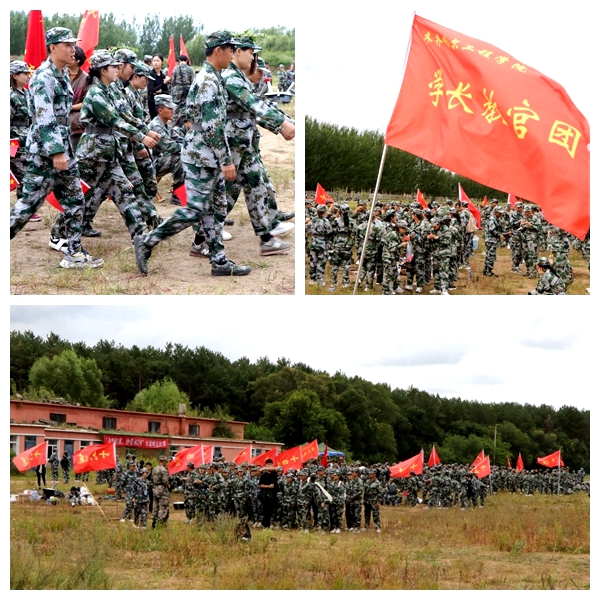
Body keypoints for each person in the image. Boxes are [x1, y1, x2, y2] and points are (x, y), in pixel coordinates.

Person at [134, 31, 252, 277]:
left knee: (217, 207)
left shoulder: (213, 77)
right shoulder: (208, 81)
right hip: (202, 155)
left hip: (207, 153)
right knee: (196, 209)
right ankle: (147, 241)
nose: (233, 54)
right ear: (218, 50)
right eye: (230, 49)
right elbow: (212, 126)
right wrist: (226, 161)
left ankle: (219, 260)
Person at [10, 27, 103, 269]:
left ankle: (74, 253)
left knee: (75, 200)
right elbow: (45, 117)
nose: (73, 49)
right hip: (46, 153)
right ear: (53, 47)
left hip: (63, 150)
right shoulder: (44, 77)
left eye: (73, 44)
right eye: (68, 45)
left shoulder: (61, 75)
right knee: (27, 206)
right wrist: (57, 152)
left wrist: (63, 151)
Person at [76, 50, 155, 247]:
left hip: (110, 153)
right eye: (114, 66)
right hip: (93, 153)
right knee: (78, 196)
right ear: (103, 70)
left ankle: (140, 236)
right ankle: (58, 233)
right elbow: (115, 121)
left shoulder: (110, 90)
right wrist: (142, 137)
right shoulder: (96, 94)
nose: (117, 69)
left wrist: (146, 130)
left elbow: (125, 115)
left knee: (125, 191)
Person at [10, 60, 41, 222]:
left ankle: (24, 209)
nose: (28, 76)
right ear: (15, 76)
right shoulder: (10, 96)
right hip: (15, 143)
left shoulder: (27, 93)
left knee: (27, 175)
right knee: (24, 176)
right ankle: (25, 210)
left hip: (28, 140)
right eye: (24, 73)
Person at [148, 94, 186, 205]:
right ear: (160, 111)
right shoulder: (156, 126)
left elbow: (179, 139)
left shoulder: (165, 126)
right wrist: (189, 150)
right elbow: (170, 146)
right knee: (180, 157)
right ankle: (178, 196)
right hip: (149, 164)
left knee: (184, 155)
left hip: (157, 161)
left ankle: (183, 194)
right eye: (169, 108)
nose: (173, 111)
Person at [68, 45, 89, 150]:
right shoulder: (61, 76)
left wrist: (70, 107)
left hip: (76, 126)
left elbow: (87, 102)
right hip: (59, 125)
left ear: (78, 60)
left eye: (72, 56)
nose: (69, 57)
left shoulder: (86, 79)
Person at [170, 54, 194, 124]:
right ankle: (184, 123)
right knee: (184, 106)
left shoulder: (176, 68)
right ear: (186, 60)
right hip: (186, 90)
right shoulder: (190, 69)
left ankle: (174, 123)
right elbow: (192, 81)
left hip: (176, 90)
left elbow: (172, 81)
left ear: (179, 60)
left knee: (175, 106)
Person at [147, 53, 170, 119]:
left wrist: (160, 91)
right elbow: (152, 90)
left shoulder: (163, 75)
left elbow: (167, 92)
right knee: (155, 120)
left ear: (162, 62)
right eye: (154, 61)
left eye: (157, 61)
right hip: (152, 102)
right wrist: (163, 83)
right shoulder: (151, 74)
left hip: (162, 103)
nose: (155, 63)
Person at [258, 458, 278, 529]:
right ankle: (265, 525)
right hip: (266, 494)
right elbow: (260, 485)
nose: (269, 466)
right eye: (268, 464)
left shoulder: (274, 473)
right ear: (265, 465)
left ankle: (266, 524)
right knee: (266, 510)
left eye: (270, 464)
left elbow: (275, 469)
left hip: (273, 494)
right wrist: (268, 486)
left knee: (271, 510)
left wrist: (264, 468)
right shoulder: (263, 475)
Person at [151, 455, 170, 528]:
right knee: (163, 506)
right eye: (166, 461)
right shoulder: (163, 470)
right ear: (164, 461)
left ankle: (154, 522)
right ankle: (160, 523)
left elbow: (152, 479)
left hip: (155, 488)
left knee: (155, 506)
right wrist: (168, 486)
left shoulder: (154, 469)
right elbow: (165, 481)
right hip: (162, 489)